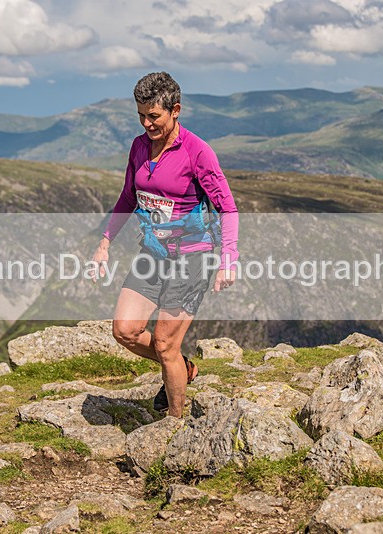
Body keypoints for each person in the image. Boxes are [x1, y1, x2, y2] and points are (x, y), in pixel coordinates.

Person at [92, 71, 239, 418]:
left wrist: (228, 259)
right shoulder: (139, 146)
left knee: (164, 343)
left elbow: (228, 207)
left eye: (154, 116)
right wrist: (105, 242)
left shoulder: (198, 152)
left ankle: (174, 423)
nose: (147, 123)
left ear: (175, 110)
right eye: (141, 115)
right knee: (125, 330)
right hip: (153, 253)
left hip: (193, 257)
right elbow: (128, 197)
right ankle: (183, 367)